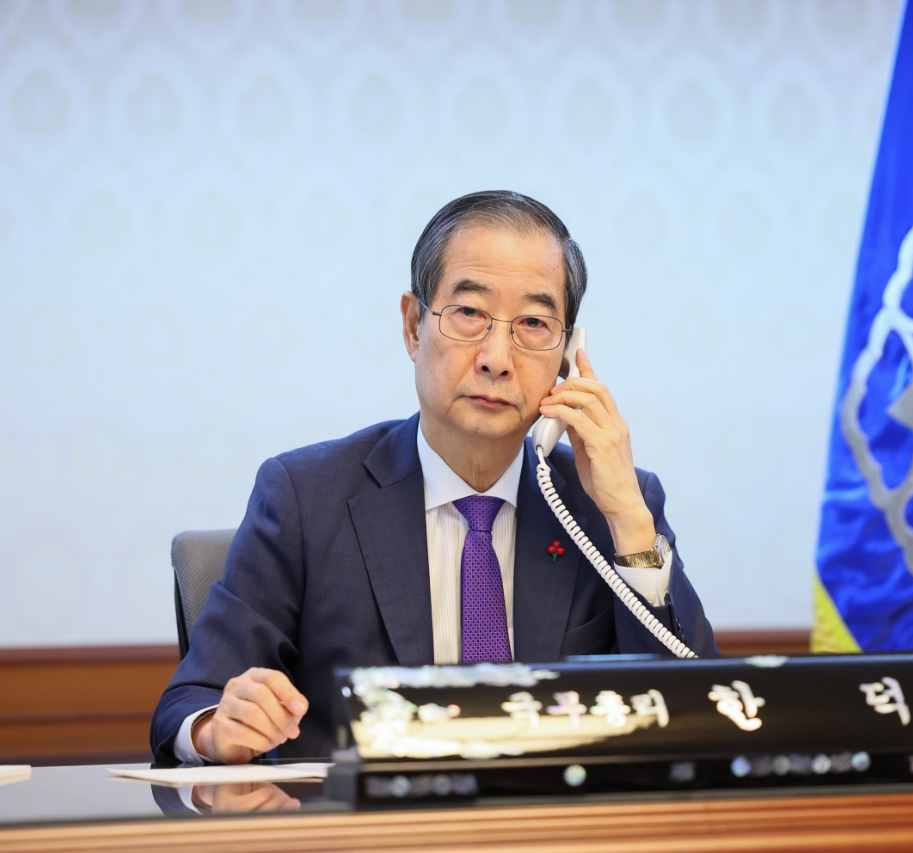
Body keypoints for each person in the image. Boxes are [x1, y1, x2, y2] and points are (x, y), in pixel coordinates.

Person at [150, 191, 718, 765]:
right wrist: (216, 728)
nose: (498, 356)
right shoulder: (304, 497)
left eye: (534, 323)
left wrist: (629, 526)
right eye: (470, 313)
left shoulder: (610, 506)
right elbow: (190, 702)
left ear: (567, 356)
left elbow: (703, 720)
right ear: (412, 327)